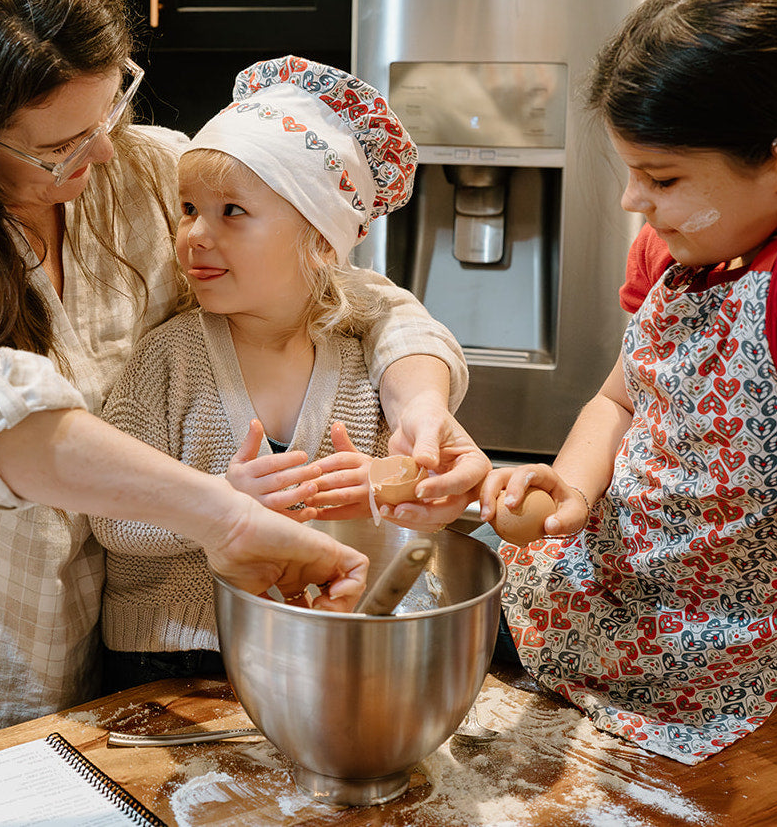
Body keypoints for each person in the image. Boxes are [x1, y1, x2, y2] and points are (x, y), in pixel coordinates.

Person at [0, 0, 478, 766]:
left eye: (110, 109)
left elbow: (355, 292)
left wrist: (422, 402)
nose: (96, 156)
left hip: (64, 667)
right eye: (56, 148)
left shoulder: (139, 172)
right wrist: (223, 514)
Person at [474, 0, 777, 824]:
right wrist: (568, 486)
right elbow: (620, 398)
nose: (632, 202)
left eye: (663, 178)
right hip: (617, 585)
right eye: (631, 172)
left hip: (728, 641)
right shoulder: (682, 247)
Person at [90, 56, 489, 691]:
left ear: (321, 241)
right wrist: (216, 507)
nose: (194, 233)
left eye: (231, 212)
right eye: (188, 208)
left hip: (324, 644)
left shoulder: (361, 359)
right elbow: (110, 515)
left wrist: (382, 491)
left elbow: (419, 499)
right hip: (172, 659)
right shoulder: (167, 358)